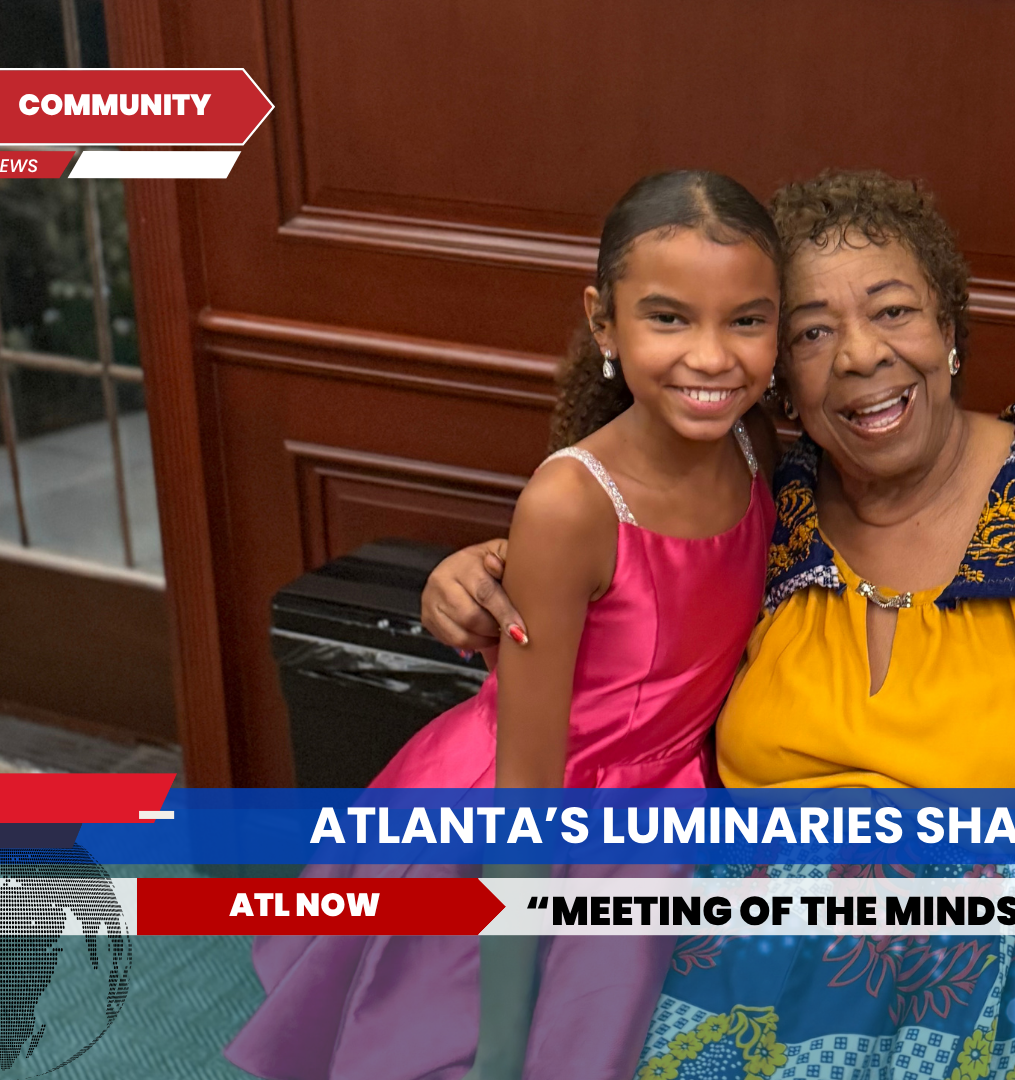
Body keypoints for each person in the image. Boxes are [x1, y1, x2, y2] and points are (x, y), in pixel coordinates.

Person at [423, 170, 1015, 1077]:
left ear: (949, 331)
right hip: (758, 990)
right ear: (778, 377)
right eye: (812, 332)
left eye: (893, 311)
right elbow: (638, 595)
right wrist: (484, 573)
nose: (861, 355)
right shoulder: (769, 505)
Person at [225, 170, 783, 1080]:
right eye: (669, 318)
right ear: (604, 323)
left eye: (747, 321)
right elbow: (525, 796)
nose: (713, 357)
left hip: (677, 806)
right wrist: (499, 1048)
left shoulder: (756, 447)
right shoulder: (571, 504)